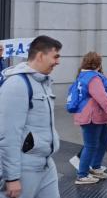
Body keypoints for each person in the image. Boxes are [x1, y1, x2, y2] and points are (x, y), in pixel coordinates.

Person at [0, 35, 62, 198]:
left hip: (47, 165)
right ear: (41, 55)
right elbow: (8, 135)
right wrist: (12, 177)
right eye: (55, 56)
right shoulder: (16, 85)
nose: (58, 62)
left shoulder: (44, 82)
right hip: (25, 168)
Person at [72, 52, 107, 184]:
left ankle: (95, 167)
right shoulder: (93, 78)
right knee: (90, 145)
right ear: (98, 64)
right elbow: (101, 95)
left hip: (93, 115)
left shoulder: (84, 76)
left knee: (105, 139)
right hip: (92, 116)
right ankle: (82, 175)